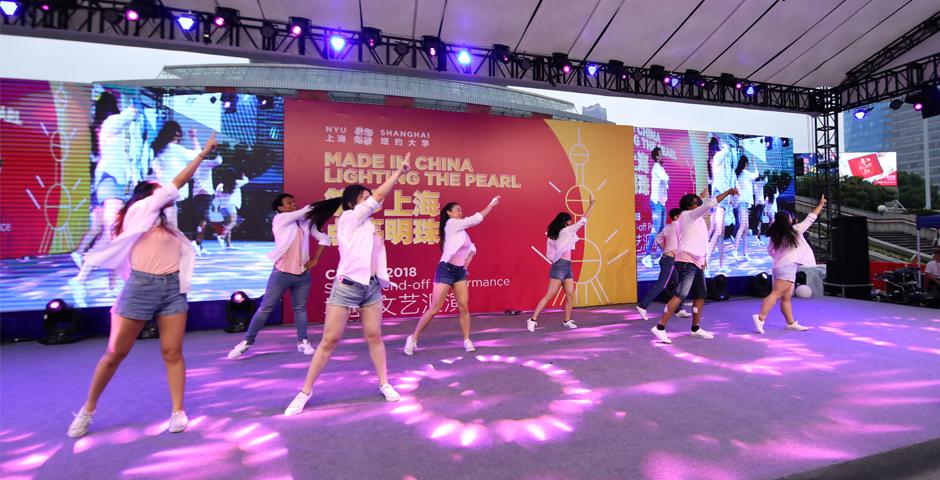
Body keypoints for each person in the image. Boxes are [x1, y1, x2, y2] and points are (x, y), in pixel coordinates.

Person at [67, 133, 218, 438]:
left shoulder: (167, 222)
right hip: (141, 288)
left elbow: (174, 196)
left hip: (172, 290)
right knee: (114, 354)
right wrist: (201, 153)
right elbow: (174, 186)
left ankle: (178, 412)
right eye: (159, 188)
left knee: (172, 352)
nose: (167, 191)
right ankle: (87, 410)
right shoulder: (139, 211)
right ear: (148, 194)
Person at [284, 161, 411, 415]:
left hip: (371, 288)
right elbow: (378, 195)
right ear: (355, 202)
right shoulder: (350, 218)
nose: (372, 201)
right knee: (330, 340)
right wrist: (398, 173)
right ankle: (304, 392)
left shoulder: (368, 225)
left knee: (374, 336)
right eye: (365, 198)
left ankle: (384, 383)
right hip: (347, 287)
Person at [226, 192, 332, 360]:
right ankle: (246, 342)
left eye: (294, 202)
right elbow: (306, 210)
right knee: (266, 308)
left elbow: (325, 238)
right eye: (289, 203)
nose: (293, 204)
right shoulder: (280, 219)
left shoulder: (304, 222)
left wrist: (315, 259)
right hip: (281, 273)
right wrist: (319, 204)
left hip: (302, 275)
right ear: (280, 208)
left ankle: (303, 341)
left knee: (300, 308)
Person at [403, 196, 501, 355]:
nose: (460, 212)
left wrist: (466, 264)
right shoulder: (451, 224)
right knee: (435, 308)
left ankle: (467, 339)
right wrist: (490, 205)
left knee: (463, 307)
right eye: (457, 210)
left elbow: (472, 248)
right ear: (449, 213)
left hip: (459, 273)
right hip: (445, 270)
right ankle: (413, 338)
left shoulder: (462, 233)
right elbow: (476, 219)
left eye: (461, 210)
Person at [70, 93, 140, 304]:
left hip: (113, 182)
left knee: (113, 234)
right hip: (111, 182)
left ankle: (113, 285)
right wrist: (133, 102)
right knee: (112, 234)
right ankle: (81, 280)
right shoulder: (112, 122)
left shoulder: (108, 127)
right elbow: (132, 113)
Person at [651, 186, 738, 344]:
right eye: (695, 202)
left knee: (700, 295)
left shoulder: (693, 218)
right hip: (686, 261)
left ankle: (695, 328)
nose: (698, 204)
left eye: (698, 202)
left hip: (697, 261)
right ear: (688, 207)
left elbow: (699, 239)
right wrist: (728, 191)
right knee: (680, 294)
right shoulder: (687, 217)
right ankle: (660, 327)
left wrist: (703, 258)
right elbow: (709, 204)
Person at [752, 196, 826, 333]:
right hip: (787, 267)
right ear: (788, 220)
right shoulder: (795, 230)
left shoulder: (776, 235)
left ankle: (790, 323)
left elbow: (770, 252)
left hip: (780, 267)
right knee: (775, 294)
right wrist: (820, 205)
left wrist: (781, 256)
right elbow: (811, 217)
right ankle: (760, 317)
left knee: (786, 297)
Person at [151, 122, 222, 256]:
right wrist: (198, 140)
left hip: (160, 190)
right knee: (170, 225)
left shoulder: (161, 150)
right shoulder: (175, 149)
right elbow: (197, 156)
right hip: (171, 191)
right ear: (177, 134)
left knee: (167, 224)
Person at [526, 197, 595, 332]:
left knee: (570, 294)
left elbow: (549, 254)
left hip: (566, 266)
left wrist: (556, 258)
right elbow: (583, 221)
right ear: (565, 222)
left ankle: (567, 320)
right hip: (560, 266)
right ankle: (532, 319)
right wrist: (591, 205)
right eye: (570, 220)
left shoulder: (554, 235)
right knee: (550, 294)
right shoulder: (566, 231)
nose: (571, 222)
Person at [635, 208, 691, 321]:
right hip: (669, 260)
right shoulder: (677, 226)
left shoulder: (669, 227)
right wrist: (669, 250)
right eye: (681, 215)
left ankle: (678, 309)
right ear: (676, 217)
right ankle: (642, 305)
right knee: (662, 285)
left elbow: (658, 238)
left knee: (678, 284)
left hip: (669, 259)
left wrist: (666, 249)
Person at [706, 138, 735, 273]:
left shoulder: (714, 159)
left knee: (719, 232)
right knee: (718, 231)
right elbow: (727, 147)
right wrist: (721, 139)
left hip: (719, 195)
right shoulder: (718, 156)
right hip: (720, 195)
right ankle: (705, 263)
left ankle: (721, 265)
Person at [642, 147, 669, 269]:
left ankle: (659, 255)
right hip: (656, 202)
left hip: (662, 202)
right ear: (657, 156)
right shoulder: (656, 167)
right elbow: (665, 178)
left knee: (661, 230)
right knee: (655, 229)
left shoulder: (660, 168)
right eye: (661, 154)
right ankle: (646, 256)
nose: (662, 156)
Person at [732, 154, 762, 261]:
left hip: (742, 203)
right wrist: (754, 164)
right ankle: (735, 250)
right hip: (743, 203)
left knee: (746, 228)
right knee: (743, 226)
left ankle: (745, 253)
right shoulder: (746, 174)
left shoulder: (738, 175)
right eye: (748, 164)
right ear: (746, 164)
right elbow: (757, 174)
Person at [213, 173, 249, 250]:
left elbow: (216, 195)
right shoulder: (236, 183)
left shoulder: (220, 185)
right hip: (231, 205)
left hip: (222, 206)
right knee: (233, 222)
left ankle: (228, 244)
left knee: (228, 224)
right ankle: (222, 236)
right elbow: (246, 181)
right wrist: (243, 175)